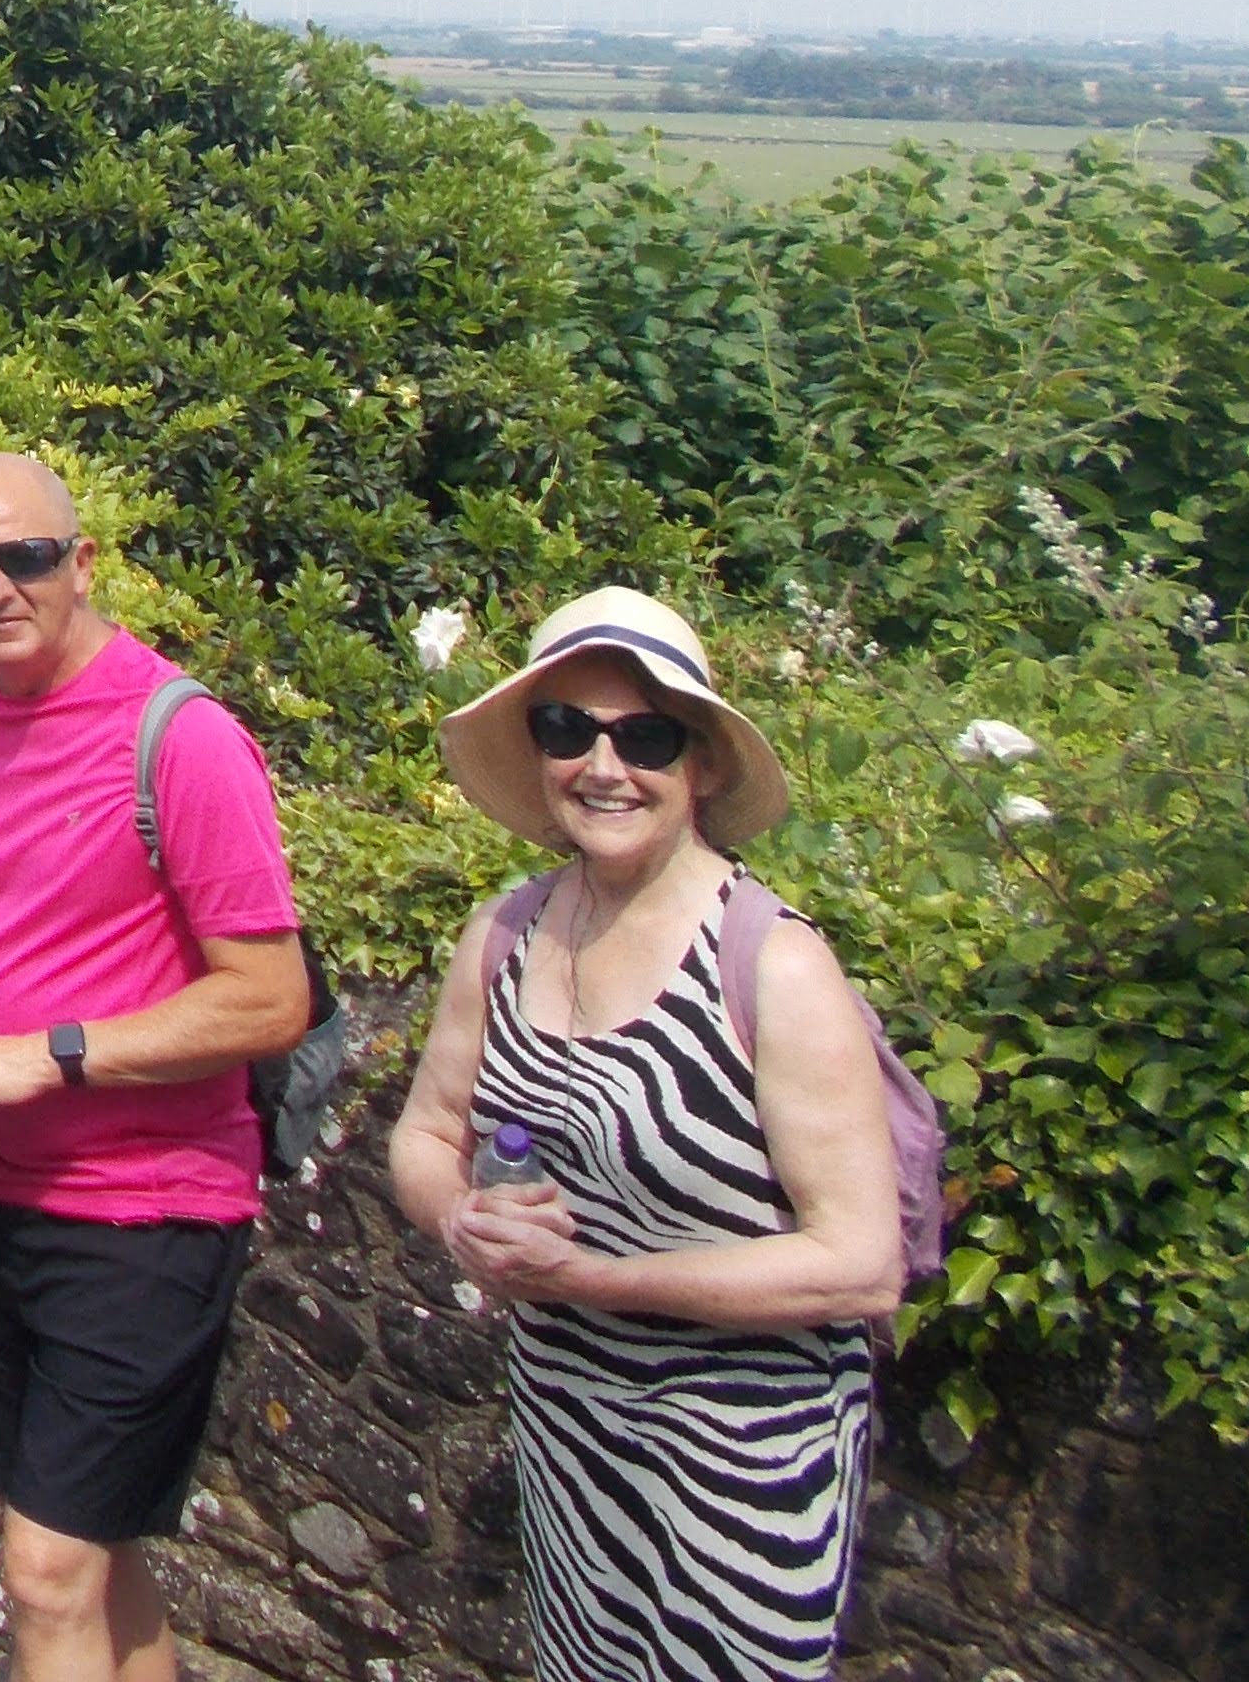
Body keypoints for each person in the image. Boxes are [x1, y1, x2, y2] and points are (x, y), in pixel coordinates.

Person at [0, 453, 315, 1682]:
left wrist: (52, 1054)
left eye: (25, 557)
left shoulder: (182, 737)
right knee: (94, 1550)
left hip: (145, 1208)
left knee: (43, 1571)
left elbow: (271, 998)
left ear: (83, 562)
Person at [387, 589, 899, 1682]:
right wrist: (463, 1219)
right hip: (571, 1431)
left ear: (701, 764)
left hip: (745, 1463)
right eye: (567, 729)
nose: (603, 766)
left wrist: (592, 1281)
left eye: (647, 737)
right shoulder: (506, 935)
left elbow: (860, 1265)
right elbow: (428, 1133)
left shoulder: (773, 966)